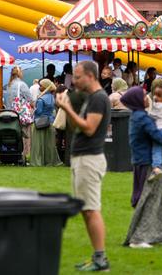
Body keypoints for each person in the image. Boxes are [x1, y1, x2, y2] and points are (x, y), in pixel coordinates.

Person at [55, 60, 111, 271]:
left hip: (89, 159)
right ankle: (97, 256)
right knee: (86, 209)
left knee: (91, 209)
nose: (74, 81)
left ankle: (101, 258)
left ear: (90, 76)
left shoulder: (98, 99)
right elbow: (75, 124)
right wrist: (66, 106)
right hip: (82, 157)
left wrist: (67, 107)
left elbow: (89, 128)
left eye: (78, 77)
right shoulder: (90, 98)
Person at [29, 79, 61, 167]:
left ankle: (37, 161)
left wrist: (33, 110)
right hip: (50, 122)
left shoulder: (41, 99)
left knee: (38, 144)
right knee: (49, 145)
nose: (40, 87)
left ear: (46, 87)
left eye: (41, 85)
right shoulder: (52, 97)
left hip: (40, 122)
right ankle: (50, 161)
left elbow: (38, 112)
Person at [6, 66, 33, 157]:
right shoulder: (22, 84)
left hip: (11, 114)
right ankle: (26, 155)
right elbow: (30, 99)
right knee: (26, 136)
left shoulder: (9, 85)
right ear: (19, 73)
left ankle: (14, 154)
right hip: (21, 116)